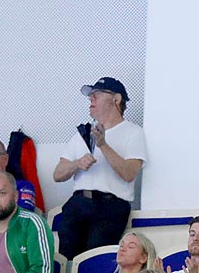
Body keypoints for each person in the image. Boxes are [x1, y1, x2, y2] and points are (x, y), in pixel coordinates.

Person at [51, 77, 147, 259]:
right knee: (66, 259)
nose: (91, 99)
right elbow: (58, 174)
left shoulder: (133, 132)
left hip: (110, 206)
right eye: (90, 96)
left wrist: (103, 145)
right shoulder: (82, 134)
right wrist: (76, 164)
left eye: (97, 94)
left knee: (96, 259)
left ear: (116, 99)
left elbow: (129, 173)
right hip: (78, 203)